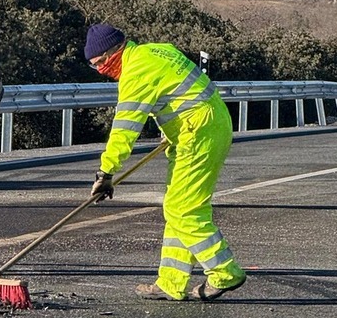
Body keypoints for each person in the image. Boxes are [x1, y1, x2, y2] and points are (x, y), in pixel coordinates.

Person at [85, 22, 246, 302]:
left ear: (114, 52)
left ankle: (225, 272)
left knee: (182, 210)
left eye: (100, 63)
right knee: (178, 207)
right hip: (201, 127)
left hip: (199, 131)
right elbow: (178, 92)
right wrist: (171, 129)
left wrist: (106, 172)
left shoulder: (136, 71)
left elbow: (125, 128)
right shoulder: (157, 51)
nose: (100, 71)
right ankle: (171, 282)